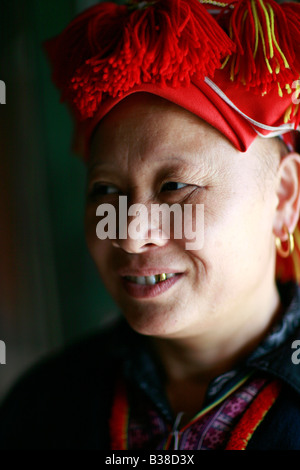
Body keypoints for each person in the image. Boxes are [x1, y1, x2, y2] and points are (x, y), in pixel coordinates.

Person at [1, 0, 300, 450]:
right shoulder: (43, 406)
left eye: (175, 186)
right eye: (105, 191)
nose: (128, 233)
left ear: (283, 198)